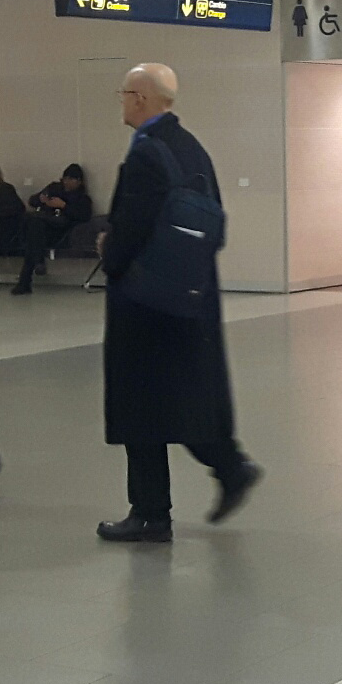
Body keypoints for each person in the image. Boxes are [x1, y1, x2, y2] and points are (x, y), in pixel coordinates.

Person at [95, 62, 260, 542]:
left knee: (141, 406)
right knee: (184, 395)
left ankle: (150, 513)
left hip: (146, 303)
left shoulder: (147, 153)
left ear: (141, 99)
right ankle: (227, 466)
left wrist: (110, 253)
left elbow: (132, 229)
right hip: (189, 294)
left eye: (125, 93)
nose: (121, 101)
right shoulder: (191, 148)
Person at [12, 163, 93, 295]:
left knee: (33, 233)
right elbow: (32, 201)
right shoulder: (54, 188)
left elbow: (83, 215)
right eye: (65, 179)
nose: (67, 182)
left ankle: (27, 278)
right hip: (42, 229)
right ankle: (35, 267)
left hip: (59, 232)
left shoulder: (82, 199)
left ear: (78, 182)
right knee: (34, 228)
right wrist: (41, 199)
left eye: (71, 179)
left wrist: (64, 206)